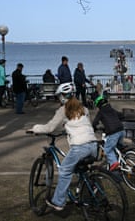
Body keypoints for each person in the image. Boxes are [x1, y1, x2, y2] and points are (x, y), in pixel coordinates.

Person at [28, 82, 97, 211]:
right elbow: (86, 125)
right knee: (81, 168)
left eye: (59, 97)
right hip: (93, 146)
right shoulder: (84, 108)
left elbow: (50, 127)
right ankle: (90, 188)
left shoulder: (63, 110)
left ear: (62, 97)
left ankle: (59, 202)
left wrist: (35, 129)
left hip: (80, 147)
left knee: (65, 170)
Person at [91, 93, 125, 171]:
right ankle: (123, 161)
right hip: (121, 130)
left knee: (108, 149)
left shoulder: (101, 112)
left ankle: (114, 163)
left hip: (113, 132)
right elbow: (121, 116)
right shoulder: (111, 109)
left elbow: (94, 123)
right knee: (118, 148)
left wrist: (94, 128)